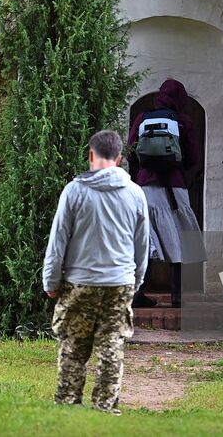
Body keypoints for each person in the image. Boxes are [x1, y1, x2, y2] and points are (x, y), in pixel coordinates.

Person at [43, 130, 150, 415]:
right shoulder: (135, 194)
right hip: (120, 282)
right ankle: (105, 406)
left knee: (73, 347)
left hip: (80, 282)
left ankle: (68, 403)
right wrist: (135, 282)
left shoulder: (75, 191)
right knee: (111, 346)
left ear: (91, 155)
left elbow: (58, 242)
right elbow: (143, 245)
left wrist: (51, 282)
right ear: (119, 159)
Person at [126, 78, 205, 308]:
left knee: (144, 238)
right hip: (174, 187)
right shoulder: (183, 121)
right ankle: (177, 295)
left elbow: (131, 151)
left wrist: (140, 172)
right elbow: (194, 156)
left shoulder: (142, 119)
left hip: (145, 188)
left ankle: (138, 293)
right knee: (177, 237)